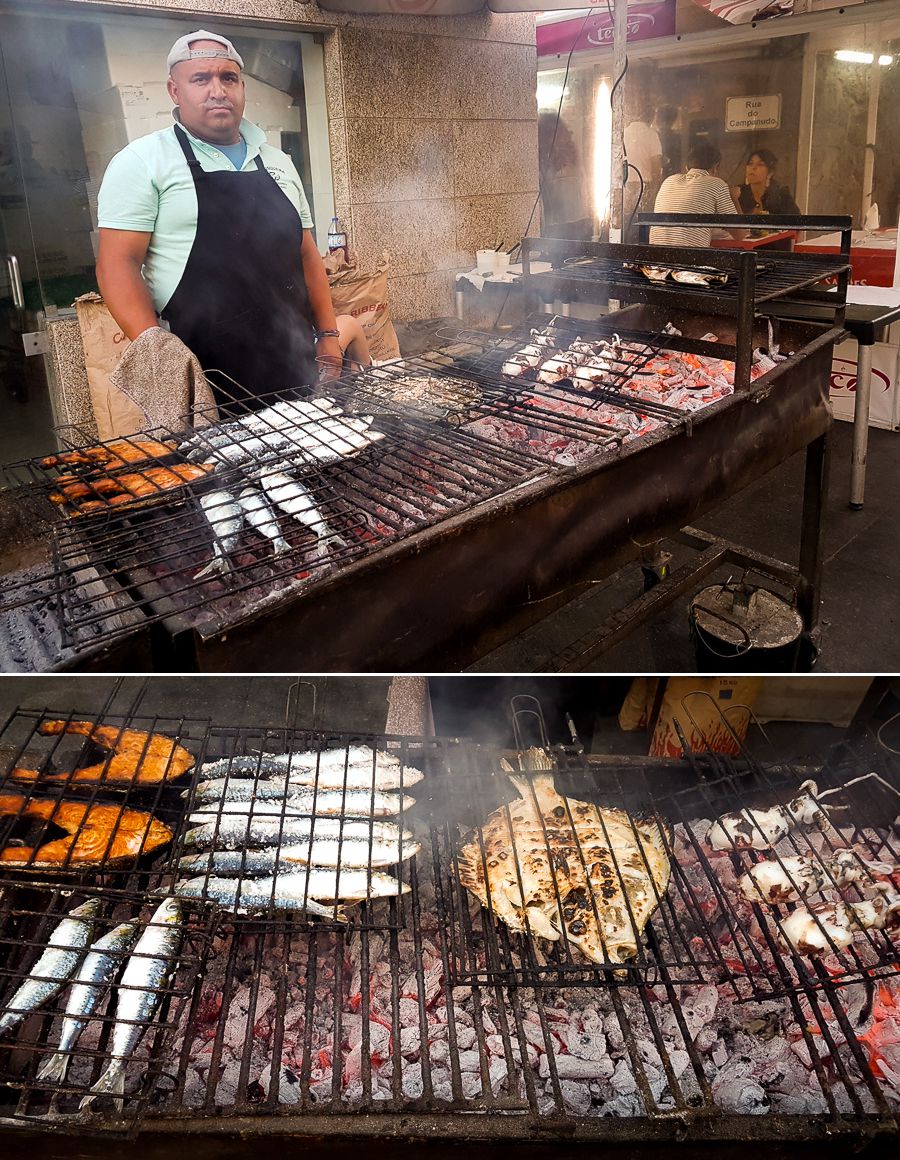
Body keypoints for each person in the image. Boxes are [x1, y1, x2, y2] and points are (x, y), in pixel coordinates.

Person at [96, 29, 342, 414]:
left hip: (294, 363)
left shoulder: (278, 162)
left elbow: (308, 254)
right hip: (202, 375)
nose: (217, 90)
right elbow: (117, 263)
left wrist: (328, 334)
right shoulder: (141, 162)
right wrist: (158, 354)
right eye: (200, 78)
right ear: (174, 91)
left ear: (242, 87)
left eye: (228, 78)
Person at [650, 142, 747, 248]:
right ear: (715, 168)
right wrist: (734, 198)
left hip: (655, 259)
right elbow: (740, 234)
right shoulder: (717, 184)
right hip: (690, 260)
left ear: (687, 167)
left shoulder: (668, 181)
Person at [623, 105, 663, 236]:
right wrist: (657, 186)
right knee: (644, 220)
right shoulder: (651, 134)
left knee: (628, 219)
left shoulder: (624, 132)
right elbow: (656, 163)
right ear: (651, 117)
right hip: (646, 184)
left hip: (627, 183)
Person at [731, 149, 800, 216]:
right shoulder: (738, 194)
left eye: (760, 164)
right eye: (750, 163)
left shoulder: (782, 196)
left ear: (770, 172)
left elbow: (796, 223)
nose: (753, 167)